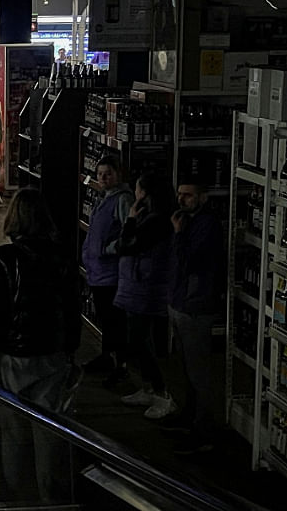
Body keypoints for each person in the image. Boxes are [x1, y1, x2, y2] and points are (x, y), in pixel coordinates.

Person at [0, 188, 81, 502]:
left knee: (13, 428)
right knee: (50, 431)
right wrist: (69, 349)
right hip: (52, 353)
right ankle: (52, 496)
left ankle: (17, 495)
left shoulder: (4, 259)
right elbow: (72, 307)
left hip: (14, 356)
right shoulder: (62, 256)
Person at [167, 179, 226, 455]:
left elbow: (192, 261)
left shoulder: (206, 226)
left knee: (199, 370)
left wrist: (178, 234)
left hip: (195, 305)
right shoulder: (187, 221)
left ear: (202, 198)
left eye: (188, 195)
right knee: (186, 366)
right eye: (180, 194)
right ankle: (189, 416)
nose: (182, 200)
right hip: (181, 301)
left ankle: (204, 431)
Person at [114, 173, 178, 420]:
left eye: (138, 190)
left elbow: (125, 246)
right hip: (140, 285)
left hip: (145, 286)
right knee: (139, 338)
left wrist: (130, 220)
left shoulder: (155, 222)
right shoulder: (154, 220)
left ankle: (162, 393)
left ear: (146, 195)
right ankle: (150, 388)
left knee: (140, 339)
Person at [80, 158, 135, 382]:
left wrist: (107, 249)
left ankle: (120, 364)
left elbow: (128, 232)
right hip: (97, 270)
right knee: (105, 316)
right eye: (100, 173)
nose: (103, 178)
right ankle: (107, 356)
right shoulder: (104, 198)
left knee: (115, 320)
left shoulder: (122, 200)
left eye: (108, 173)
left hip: (111, 272)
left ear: (118, 174)